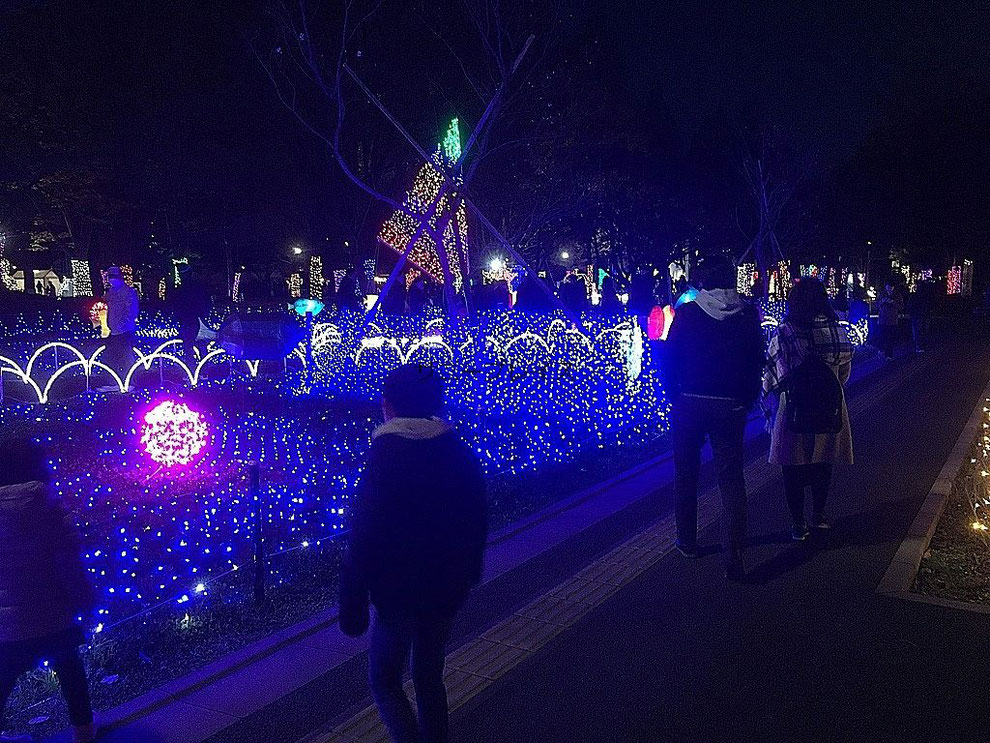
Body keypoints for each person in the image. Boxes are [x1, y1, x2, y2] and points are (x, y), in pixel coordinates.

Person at [339, 364, 487, 743]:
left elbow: (364, 533)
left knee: (385, 677)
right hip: (445, 588)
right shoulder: (456, 451)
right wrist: (467, 573)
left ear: (387, 406)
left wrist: (353, 600)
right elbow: (476, 517)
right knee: (428, 673)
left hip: (396, 593)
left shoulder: (385, 457)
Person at [664, 255, 765, 579]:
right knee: (732, 478)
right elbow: (757, 359)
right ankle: (733, 554)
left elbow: (670, 356)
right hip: (730, 405)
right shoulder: (747, 314)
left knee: (686, 474)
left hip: (689, 402)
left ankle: (687, 542)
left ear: (703, 282)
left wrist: (673, 395)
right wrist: (747, 399)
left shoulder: (688, 313)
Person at [0, 438, 97, 743]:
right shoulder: (47, 505)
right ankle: (83, 732)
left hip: (7, 620)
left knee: (3, 677)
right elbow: (68, 557)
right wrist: (85, 598)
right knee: (69, 669)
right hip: (52, 609)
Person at [763, 278, 853, 539]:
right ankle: (819, 515)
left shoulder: (786, 332)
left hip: (793, 406)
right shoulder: (838, 331)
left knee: (792, 466)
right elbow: (844, 375)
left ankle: (798, 523)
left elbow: (771, 376)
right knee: (823, 462)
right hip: (829, 406)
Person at [99, 266, 139, 391]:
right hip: (111, 331)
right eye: (110, 277)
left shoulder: (128, 291)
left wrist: (123, 326)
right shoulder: (110, 292)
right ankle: (113, 383)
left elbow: (132, 311)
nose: (112, 280)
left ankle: (129, 382)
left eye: (114, 277)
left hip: (124, 331)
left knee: (126, 357)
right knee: (110, 357)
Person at [171, 267, 212, 359]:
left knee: (188, 345)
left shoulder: (181, 289)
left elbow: (176, 305)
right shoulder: (198, 287)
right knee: (200, 344)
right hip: (196, 320)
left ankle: (192, 367)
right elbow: (206, 303)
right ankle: (203, 367)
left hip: (188, 320)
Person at [876, 281, 903, 360]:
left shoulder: (897, 295)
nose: (889, 289)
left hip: (892, 320)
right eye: (887, 287)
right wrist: (882, 301)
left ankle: (889, 354)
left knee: (890, 338)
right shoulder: (882, 295)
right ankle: (883, 350)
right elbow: (876, 305)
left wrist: (892, 302)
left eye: (890, 287)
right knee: (882, 336)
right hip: (882, 319)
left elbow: (901, 306)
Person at [908, 278, 936, 353]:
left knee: (918, 331)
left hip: (917, 315)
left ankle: (919, 345)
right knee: (923, 330)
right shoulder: (926, 295)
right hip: (924, 314)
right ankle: (922, 345)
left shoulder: (915, 295)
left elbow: (910, 305)